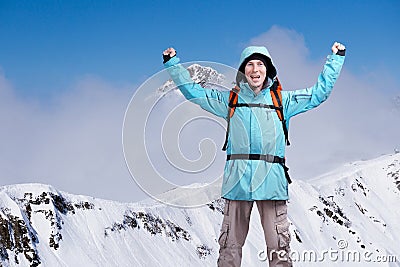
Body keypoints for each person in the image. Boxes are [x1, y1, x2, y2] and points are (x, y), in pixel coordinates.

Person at [162, 42, 345, 267]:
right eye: (250, 64)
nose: (255, 69)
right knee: (229, 249)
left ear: (268, 69)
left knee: (279, 248)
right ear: (243, 71)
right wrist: (173, 64)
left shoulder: (283, 101)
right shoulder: (230, 101)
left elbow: (319, 93)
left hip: (272, 183)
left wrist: (335, 59)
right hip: (238, 183)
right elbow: (195, 93)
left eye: (260, 64)